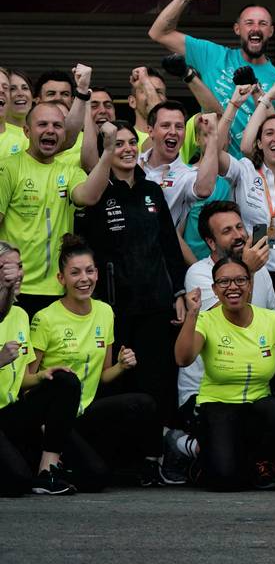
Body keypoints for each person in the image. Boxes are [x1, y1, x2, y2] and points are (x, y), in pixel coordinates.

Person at [29, 235, 166, 490]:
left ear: (97, 274)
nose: (84, 279)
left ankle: (148, 465)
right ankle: (49, 461)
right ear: (61, 279)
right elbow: (25, 382)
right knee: (98, 477)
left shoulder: (104, 311)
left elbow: (103, 375)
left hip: (86, 411)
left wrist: (122, 366)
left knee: (144, 403)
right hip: (54, 417)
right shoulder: (45, 318)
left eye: (90, 271)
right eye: (75, 273)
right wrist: (47, 376)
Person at [76, 121, 189, 430]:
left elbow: (169, 245)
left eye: (131, 143)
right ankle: (121, 459)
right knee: (120, 378)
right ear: (106, 152)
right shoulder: (96, 192)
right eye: (119, 144)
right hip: (114, 307)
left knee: (157, 379)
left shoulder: (152, 190)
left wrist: (178, 291)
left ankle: (155, 455)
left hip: (155, 304)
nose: (127, 149)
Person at [175, 256, 275, 491]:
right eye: (224, 282)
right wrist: (192, 314)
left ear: (250, 284)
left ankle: (259, 460)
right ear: (214, 289)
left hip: (257, 404)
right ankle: (197, 449)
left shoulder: (272, 320)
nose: (233, 287)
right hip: (218, 404)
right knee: (225, 480)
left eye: (240, 280)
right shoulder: (205, 320)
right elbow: (183, 359)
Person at [148, 0, 275, 156]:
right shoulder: (213, 56)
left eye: (263, 24)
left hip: (256, 176)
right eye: (249, 23)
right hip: (214, 172)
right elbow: (159, 32)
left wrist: (258, 93)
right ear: (237, 29)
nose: (256, 28)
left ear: (270, 31)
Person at [0, 103, 116, 316]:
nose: (50, 130)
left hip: (58, 289)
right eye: (42, 124)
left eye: (57, 125)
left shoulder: (70, 172)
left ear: (64, 135)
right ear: (27, 131)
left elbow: (89, 196)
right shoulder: (8, 168)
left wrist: (108, 152)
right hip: (14, 288)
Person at [0, 242, 82, 495]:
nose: (17, 273)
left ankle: (48, 470)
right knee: (16, 482)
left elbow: (20, 380)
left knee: (64, 380)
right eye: (6, 268)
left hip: (9, 413)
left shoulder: (21, 315)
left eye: (19, 266)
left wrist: (41, 377)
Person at [221, 84, 275, 294]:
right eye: (269, 133)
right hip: (239, 269)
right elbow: (216, 153)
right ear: (259, 143)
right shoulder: (244, 170)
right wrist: (264, 99)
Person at [131, 99, 219, 226]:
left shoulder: (187, 175)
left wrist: (212, 136)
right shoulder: (133, 163)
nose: (173, 132)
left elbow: (204, 190)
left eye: (179, 127)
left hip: (163, 245)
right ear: (150, 131)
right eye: (165, 125)